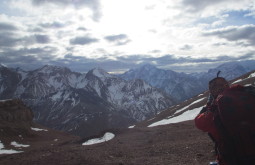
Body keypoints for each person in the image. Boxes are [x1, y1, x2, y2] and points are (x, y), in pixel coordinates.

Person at [195, 72, 255, 165]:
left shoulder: (216, 107)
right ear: (227, 85)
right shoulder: (247, 94)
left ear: (212, 91)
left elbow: (200, 123)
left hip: (233, 159)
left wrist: (209, 104)